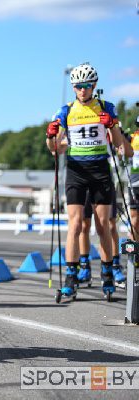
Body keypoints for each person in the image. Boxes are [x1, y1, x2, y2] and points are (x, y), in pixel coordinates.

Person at [46, 62, 125, 299]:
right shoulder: (66, 111)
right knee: (76, 224)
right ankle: (72, 276)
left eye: (87, 85)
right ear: (73, 86)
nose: (83, 90)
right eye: (79, 86)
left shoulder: (106, 107)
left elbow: (119, 143)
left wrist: (111, 125)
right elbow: (54, 150)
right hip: (77, 172)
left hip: (100, 171)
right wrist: (50, 136)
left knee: (102, 226)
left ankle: (108, 274)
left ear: (94, 85)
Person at [78, 131, 132, 288]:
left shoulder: (108, 119)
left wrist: (118, 135)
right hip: (82, 178)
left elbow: (125, 152)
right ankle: (85, 269)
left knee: (110, 226)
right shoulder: (83, 121)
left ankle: (114, 267)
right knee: (83, 225)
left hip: (105, 180)